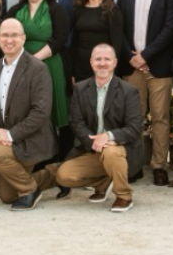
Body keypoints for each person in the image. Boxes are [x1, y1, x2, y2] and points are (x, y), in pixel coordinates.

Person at [52, 43, 144, 213]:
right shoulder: (80, 88)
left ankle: (124, 196)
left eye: (107, 59)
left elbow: (135, 127)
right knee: (64, 175)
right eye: (98, 59)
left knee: (110, 151)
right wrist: (93, 141)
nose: (102, 63)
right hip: (93, 149)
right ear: (91, 62)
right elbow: (77, 123)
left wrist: (108, 136)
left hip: (121, 149)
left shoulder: (129, 91)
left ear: (115, 62)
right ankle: (104, 181)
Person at [117, 0, 173, 187]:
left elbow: (170, 30)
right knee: (133, 117)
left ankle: (158, 166)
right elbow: (120, 29)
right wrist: (131, 57)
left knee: (160, 118)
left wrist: (146, 56)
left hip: (159, 67)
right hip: (131, 67)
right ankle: (133, 165)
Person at [0, 19, 56, 210]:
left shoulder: (37, 68)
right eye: (4, 35)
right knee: (7, 196)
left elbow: (41, 112)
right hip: (6, 141)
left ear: (23, 38)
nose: (9, 40)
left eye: (14, 35)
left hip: (30, 140)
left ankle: (31, 189)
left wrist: (10, 135)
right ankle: (54, 175)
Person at [12, 0, 70, 142]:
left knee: (52, 107)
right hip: (20, 67)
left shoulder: (56, 9)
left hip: (50, 65)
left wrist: (34, 60)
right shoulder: (15, 10)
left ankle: (58, 154)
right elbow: (6, 36)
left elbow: (60, 39)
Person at [70, 0, 123, 84]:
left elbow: (117, 45)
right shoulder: (78, 10)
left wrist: (112, 70)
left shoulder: (113, 10)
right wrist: (72, 72)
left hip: (104, 69)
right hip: (81, 69)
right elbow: (74, 43)